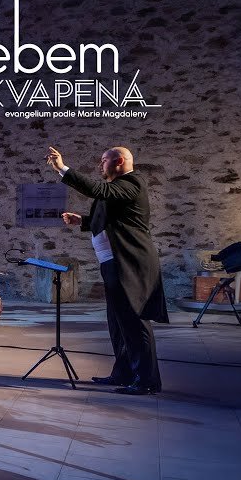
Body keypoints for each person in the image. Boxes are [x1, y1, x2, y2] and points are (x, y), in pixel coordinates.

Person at [48, 145, 167, 395]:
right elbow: (115, 219)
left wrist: (62, 169)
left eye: (104, 160)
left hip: (129, 264)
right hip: (112, 263)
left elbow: (97, 190)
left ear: (119, 161)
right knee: (118, 323)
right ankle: (123, 373)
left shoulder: (132, 182)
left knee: (134, 322)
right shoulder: (117, 188)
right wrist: (83, 221)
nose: (100, 165)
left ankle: (147, 381)